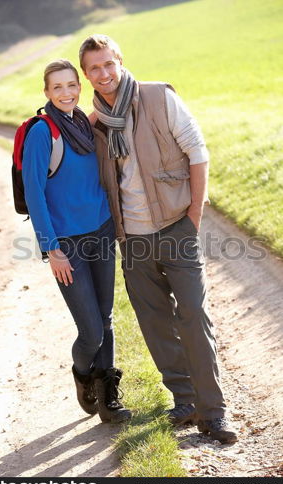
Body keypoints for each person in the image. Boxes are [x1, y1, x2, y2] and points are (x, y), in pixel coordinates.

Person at [78, 35, 237, 443]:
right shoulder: (93, 123)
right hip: (132, 239)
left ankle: (213, 412)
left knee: (194, 316)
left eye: (108, 63)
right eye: (94, 68)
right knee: (155, 323)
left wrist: (194, 215)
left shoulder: (158, 97)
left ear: (120, 61)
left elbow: (198, 152)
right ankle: (184, 399)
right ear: (86, 75)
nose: (104, 73)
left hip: (175, 227)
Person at [22, 58, 131, 424]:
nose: (66, 93)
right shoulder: (43, 132)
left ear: (79, 87)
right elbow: (34, 193)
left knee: (106, 318)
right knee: (90, 330)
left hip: (100, 231)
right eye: (58, 87)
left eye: (71, 85)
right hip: (66, 243)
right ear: (47, 93)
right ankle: (82, 373)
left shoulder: (85, 122)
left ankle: (108, 397)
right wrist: (50, 248)